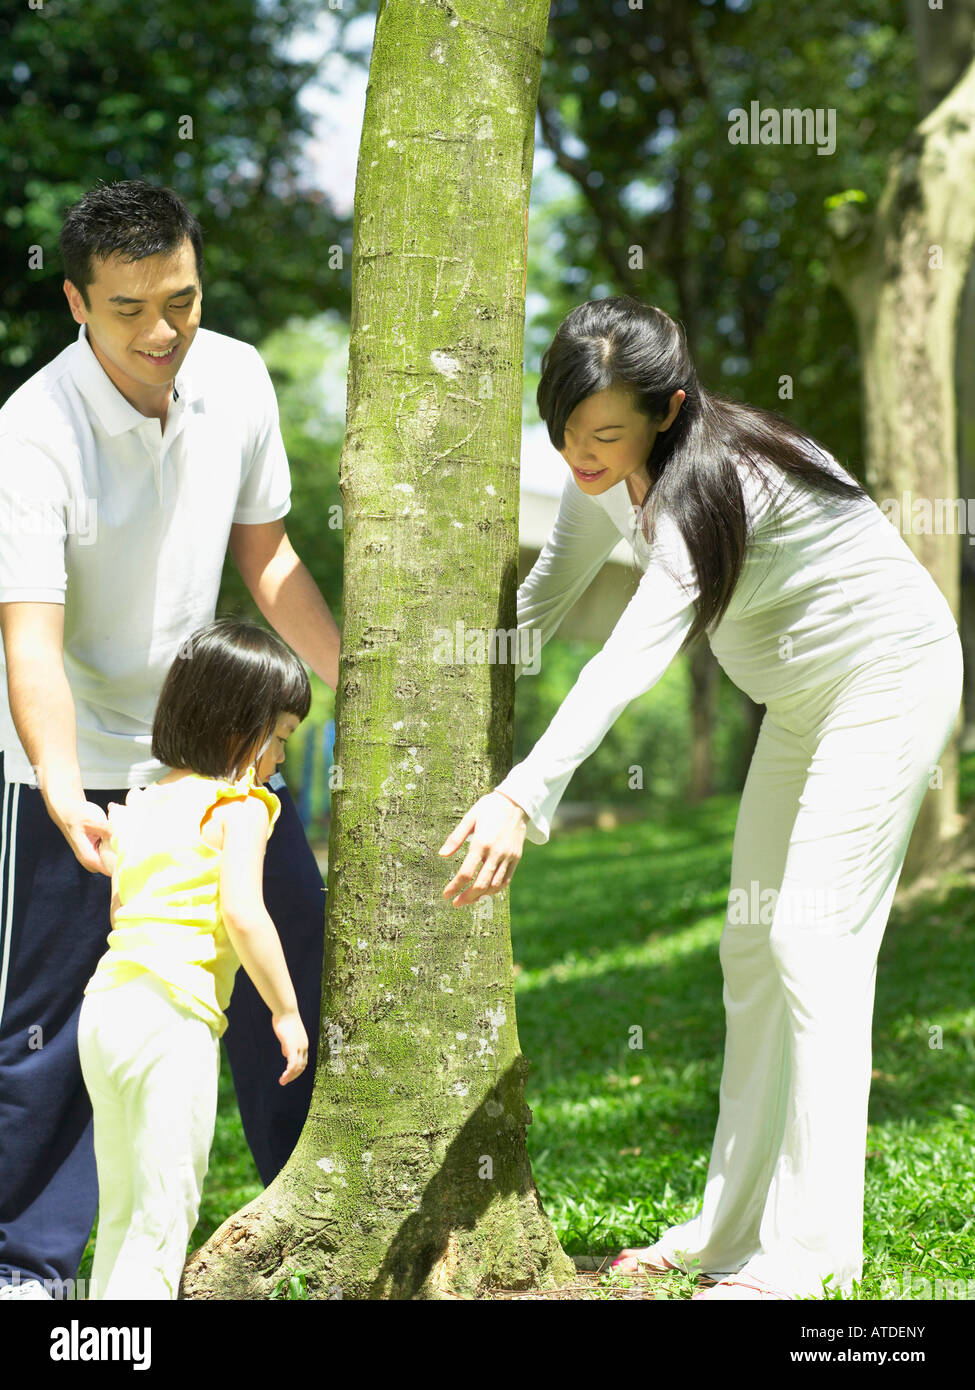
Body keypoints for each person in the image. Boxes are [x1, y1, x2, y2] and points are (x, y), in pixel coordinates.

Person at [438, 295, 963, 1301]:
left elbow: (628, 661)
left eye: (605, 434)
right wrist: (458, 677)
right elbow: (547, 593)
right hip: (800, 706)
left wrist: (521, 796)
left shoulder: (707, 483)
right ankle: (727, 1232)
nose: (581, 455)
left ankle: (811, 1259)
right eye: (565, 429)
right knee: (749, 945)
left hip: (885, 681)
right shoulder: (601, 480)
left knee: (810, 943)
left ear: (668, 411)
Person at [0, 180, 339, 1300]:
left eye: (182, 301)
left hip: (213, 755)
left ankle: (309, 1224)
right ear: (75, 304)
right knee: (50, 1035)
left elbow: (270, 560)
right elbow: (31, 639)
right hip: (70, 765)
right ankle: (31, 1274)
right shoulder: (30, 433)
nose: (162, 334)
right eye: (130, 309)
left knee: (287, 963)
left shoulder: (236, 377)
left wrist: (359, 698)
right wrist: (61, 788)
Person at [77, 618, 310, 1300]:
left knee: (120, 1208)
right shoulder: (241, 805)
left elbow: (124, 912)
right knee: (165, 1211)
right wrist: (287, 1011)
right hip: (172, 1019)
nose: (279, 762)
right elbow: (243, 911)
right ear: (241, 727)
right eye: (280, 739)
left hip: (105, 1011)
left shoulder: (141, 805)